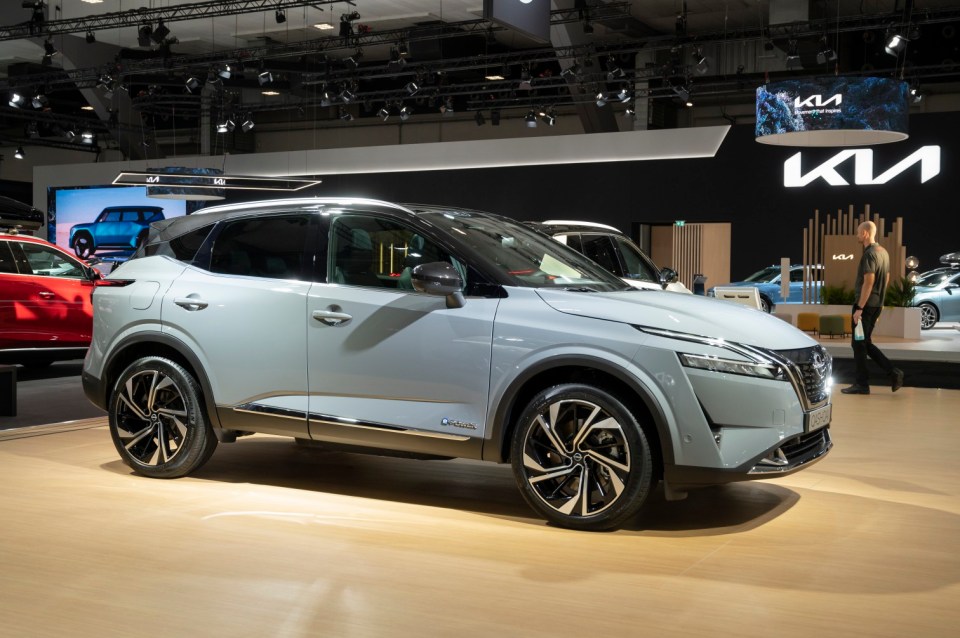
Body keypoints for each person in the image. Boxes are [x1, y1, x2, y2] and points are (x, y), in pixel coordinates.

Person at [840, 221, 904, 395]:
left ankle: (862, 384)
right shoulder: (883, 253)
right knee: (864, 343)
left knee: (858, 344)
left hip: (865, 306)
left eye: (859, 232)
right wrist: (880, 304)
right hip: (875, 305)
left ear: (866, 233)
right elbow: (887, 278)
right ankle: (892, 373)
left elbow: (869, 281)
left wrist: (859, 307)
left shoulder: (869, 254)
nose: (857, 235)